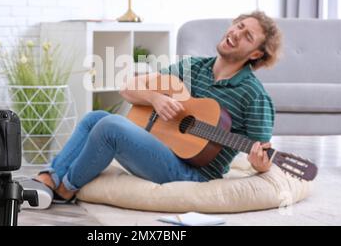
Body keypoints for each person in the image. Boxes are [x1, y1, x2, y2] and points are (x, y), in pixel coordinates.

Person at [27, 11, 283, 207]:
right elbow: (128, 89)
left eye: (248, 36)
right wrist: (154, 98)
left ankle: (66, 188)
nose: (237, 33)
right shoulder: (194, 67)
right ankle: (49, 178)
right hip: (163, 150)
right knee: (96, 117)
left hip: (193, 174)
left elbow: (263, 157)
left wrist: (259, 163)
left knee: (110, 127)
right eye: (239, 25)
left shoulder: (255, 96)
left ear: (256, 54)